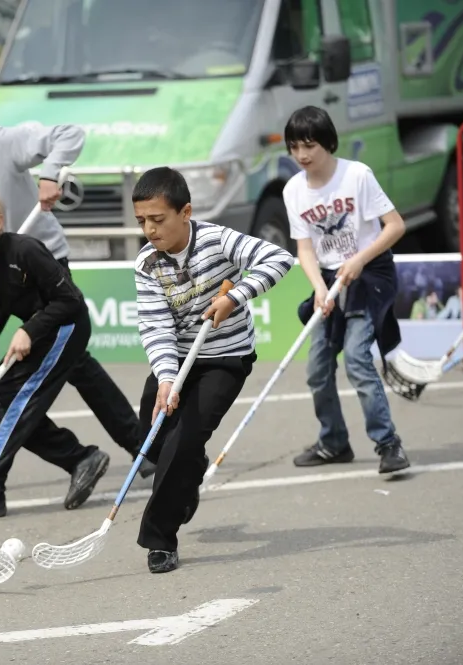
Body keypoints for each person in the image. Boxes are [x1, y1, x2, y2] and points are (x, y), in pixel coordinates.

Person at [0, 82, 146, 501]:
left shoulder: (3, 144)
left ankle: (140, 449)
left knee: (71, 364)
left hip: (42, 265)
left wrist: (51, 173)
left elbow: (69, 134)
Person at [133, 167, 294, 574]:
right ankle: (189, 473)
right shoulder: (147, 263)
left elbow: (279, 258)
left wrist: (235, 296)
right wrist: (166, 378)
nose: (149, 230)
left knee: (182, 443)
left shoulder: (217, 239)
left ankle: (160, 539)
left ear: (185, 212)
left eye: (158, 219)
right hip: (178, 360)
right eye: (142, 221)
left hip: (226, 358)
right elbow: (156, 327)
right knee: (153, 437)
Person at [0, 182, 110, 517]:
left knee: (12, 403)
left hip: (66, 328)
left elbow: (70, 299)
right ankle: (81, 458)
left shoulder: (25, 250)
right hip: (41, 331)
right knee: (5, 401)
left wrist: (29, 329)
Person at [281, 105, 410, 473]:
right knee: (317, 368)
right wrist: (318, 289)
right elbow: (305, 249)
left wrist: (359, 260)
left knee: (356, 359)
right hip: (329, 279)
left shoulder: (357, 176)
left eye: (310, 145)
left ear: (328, 143)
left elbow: (395, 226)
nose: (302, 155)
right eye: (295, 147)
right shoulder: (293, 190)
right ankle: (334, 442)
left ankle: (388, 444)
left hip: (369, 275)